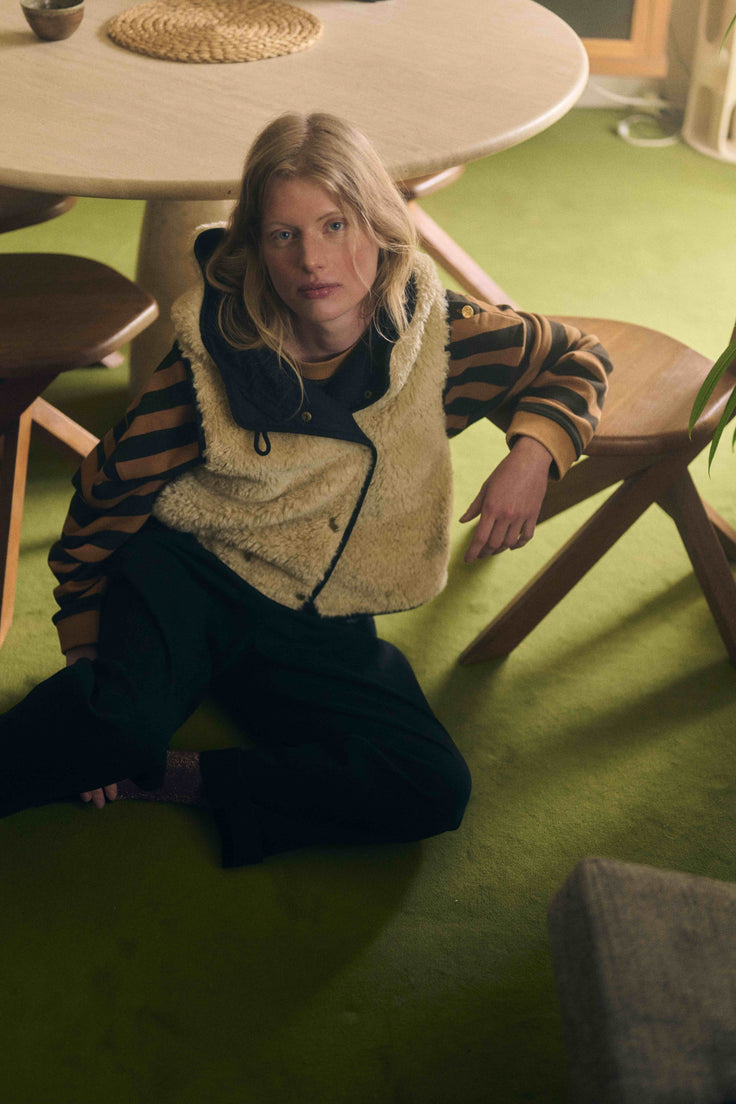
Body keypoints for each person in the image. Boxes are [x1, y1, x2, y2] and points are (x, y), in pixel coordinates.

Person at [0, 113, 611, 868]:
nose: (312, 260)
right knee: (111, 731)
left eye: (334, 225)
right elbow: (105, 491)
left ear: (380, 227)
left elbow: (578, 357)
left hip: (319, 603)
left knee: (432, 786)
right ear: (257, 249)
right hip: (191, 573)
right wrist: (86, 657)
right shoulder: (210, 361)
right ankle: (122, 739)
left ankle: (178, 777)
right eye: (284, 235)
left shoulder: (447, 337)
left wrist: (534, 455)